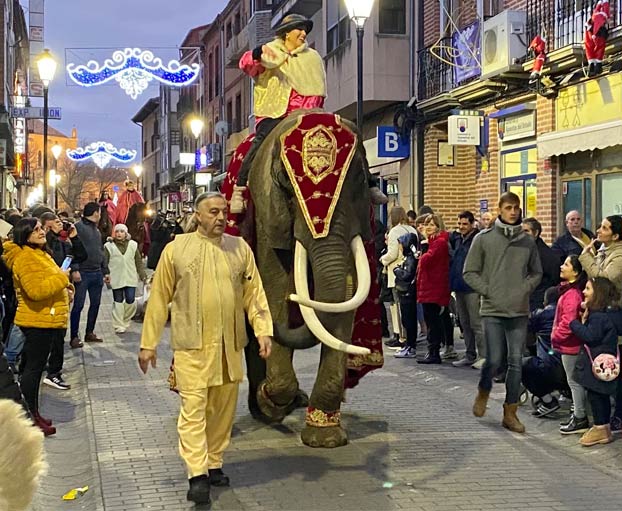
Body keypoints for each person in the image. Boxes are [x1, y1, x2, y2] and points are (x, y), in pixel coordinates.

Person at [138, 192, 273, 506]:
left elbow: (254, 294)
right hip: (192, 347)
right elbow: (159, 299)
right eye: (213, 212)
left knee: (223, 412)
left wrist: (263, 330)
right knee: (194, 411)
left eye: (223, 212)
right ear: (197, 215)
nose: (221, 217)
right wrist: (149, 343)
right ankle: (197, 474)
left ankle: (214, 463)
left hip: (230, 347)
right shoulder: (176, 250)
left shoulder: (240, 249)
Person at [230, 13, 386, 213]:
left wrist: (312, 112)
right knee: (259, 142)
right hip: (274, 114)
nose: (303, 33)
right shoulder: (269, 51)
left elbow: (317, 91)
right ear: (286, 34)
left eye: (305, 30)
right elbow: (247, 65)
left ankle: (370, 182)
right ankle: (239, 190)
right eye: (299, 29)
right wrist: (257, 54)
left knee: (350, 131)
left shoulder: (312, 58)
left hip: (308, 113)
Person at [466, 192, 542, 433]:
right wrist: (488, 290)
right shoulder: (483, 239)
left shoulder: (527, 241)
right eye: (508, 208)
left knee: (516, 362)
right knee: (495, 358)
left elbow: (537, 272)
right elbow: (469, 272)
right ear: (500, 209)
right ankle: (484, 390)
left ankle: (510, 412)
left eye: (516, 208)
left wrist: (524, 289)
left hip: (518, 310)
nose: (513, 212)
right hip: (492, 309)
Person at [3, 218, 74, 436]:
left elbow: (50, 281)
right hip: (36, 320)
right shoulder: (25, 257)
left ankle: (33, 412)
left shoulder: (39, 253)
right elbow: (35, 290)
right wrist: (62, 279)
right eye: (36, 230)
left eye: (41, 228)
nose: (42, 232)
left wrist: (67, 288)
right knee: (32, 371)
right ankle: (28, 418)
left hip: (46, 318)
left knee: (33, 370)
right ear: (25, 235)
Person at [577, 214, 622, 433]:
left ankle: (618, 416)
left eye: (604, 228)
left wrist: (585, 258)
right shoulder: (606, 251)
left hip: (616, 317)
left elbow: (602, 281)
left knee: (615, 367)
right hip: (606, 313)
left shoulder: (620, 255)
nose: (598, 230)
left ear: (615, 235)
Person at [570, 277, 621, 446]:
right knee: (602, 395)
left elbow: (591, 336)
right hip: (606, 363)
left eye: (588, 289)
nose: (584, 292)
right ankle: (603, 428)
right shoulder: (612, 314)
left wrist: (575, 324)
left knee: (596, 396)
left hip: (596, 364)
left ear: (598, 293)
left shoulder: (599, 317)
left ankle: (600, 427)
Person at [38, 212, 86, 390]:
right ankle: (51, 372)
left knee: (58, 334)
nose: (61, 224)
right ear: (46, 225)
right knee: (51, 336)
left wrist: (75, 237)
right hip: (48, 296)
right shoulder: (43, 246)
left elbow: (80, 255)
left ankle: (54, 371)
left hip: (61, 294)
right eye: (56, 222)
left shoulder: (62, 243)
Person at [552, 255, 589, 434]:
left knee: (574, 382)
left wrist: (556, 337)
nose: (561, 266)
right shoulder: (569, 292)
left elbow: (569, 322)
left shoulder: (572, 294)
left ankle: (580, 417)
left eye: (566, 264)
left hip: (570, 345)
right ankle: (579, 414)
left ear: (575, 271)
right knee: (574, 381)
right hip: (569, 344)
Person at [523, 287, 570, 417]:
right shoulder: (571, 313)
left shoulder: (542, 314)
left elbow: (525, 327)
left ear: (546, 301)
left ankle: (548, 401)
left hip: (551, 370)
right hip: (572, 369)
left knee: (522, 364)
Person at [70, 202, 110, 348]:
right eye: (99, 212)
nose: (100, 215)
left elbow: (100, 251)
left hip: (96, 272)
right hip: (83, 272)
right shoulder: (78, 227)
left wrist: (105, 270)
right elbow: (72, 249)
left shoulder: (97, 230)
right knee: (78, 305)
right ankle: (74, 336)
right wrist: (75, 269)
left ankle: (89, 332)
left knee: (96, 304)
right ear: (95, 213)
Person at [416, 214, 454, 364]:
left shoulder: (439, 243)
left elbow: (426, 261)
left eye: (432, 225)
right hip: (428, 287)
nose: (429, 227)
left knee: (433, 321)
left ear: (439, 227)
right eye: (427, 224)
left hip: (435, 288)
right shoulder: (433, 242)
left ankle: (434, 352)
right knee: (430, 320)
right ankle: (431, 351)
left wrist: (424, 250)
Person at [450, 211, 485, 367]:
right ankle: (469, 354)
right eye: (459, 224)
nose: (461, 227)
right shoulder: (457, 239)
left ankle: (484, 356)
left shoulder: (477, 240)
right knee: (464, 322)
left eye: (464, 224)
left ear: (472, 224)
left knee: (476, 323)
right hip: (459, 286)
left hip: (473, 288)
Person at [380, 207, 417, 350]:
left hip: (397, 272)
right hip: (411, 271)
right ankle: (405, 336)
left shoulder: (394, 231)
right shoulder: (412, 230)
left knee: (396, 306)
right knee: (408, 307)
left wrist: (382, 259)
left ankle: (400, 336)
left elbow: (392, 253)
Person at [104, 224, 147, 334]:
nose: (119, 234)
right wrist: (106, 274)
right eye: (117, 231)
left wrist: (143, 275)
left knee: (130, 299)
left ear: (126, 233)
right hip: (116, 277)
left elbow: (138, 261)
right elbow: (105, 262)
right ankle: (118, 324)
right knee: (118, 301)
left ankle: (125, 318)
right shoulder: (109, 246)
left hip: (130, 276)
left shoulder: (133, 245)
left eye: (122, 231)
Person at [522, 217, 561, 311]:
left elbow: (554, 278)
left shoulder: (546, 255)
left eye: (526, 231)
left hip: (537, 303)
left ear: (535, 233)